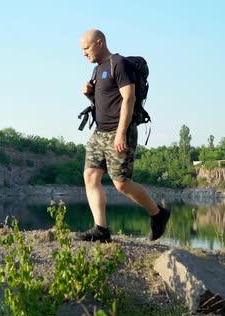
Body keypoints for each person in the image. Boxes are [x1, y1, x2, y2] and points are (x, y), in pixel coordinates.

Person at [72, 29, 170, 242]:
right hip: (100, 132)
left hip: (120, 131)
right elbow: (105, 102)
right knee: (90, 175)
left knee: (122, 183)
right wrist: (90, 95)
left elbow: (129, 99)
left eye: (86, 48)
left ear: (99, 43)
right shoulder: (98, 70)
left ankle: (158, 214)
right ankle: (101, 229)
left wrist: (121, 134)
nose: (84, 53)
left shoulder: (119, 64)